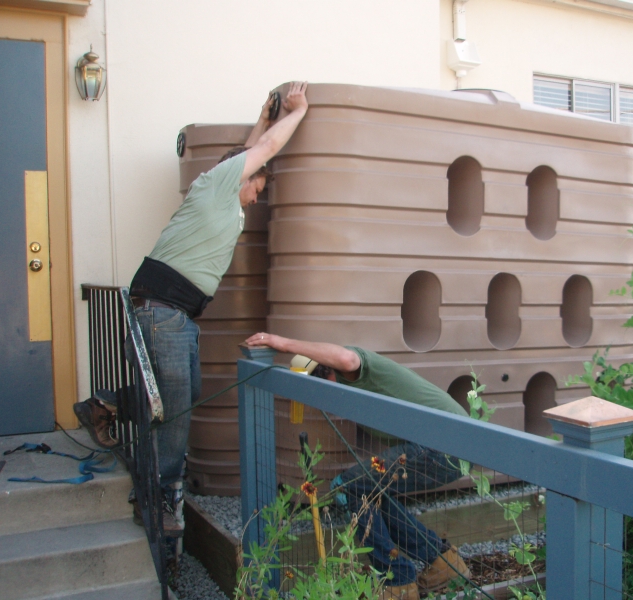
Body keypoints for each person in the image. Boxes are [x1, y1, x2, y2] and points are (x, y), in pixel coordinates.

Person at [74, 82, 309, 532]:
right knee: (176, 415)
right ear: (241, 176)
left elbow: (248, 149)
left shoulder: (221, 190)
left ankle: (105, 406)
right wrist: (295, 113)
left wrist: (264, 114)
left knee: (181, 399)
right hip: (162, 313)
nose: (257, 197)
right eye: (257, 187)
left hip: (172, 315)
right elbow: (262, 149)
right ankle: (159, 499)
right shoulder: (219, 184)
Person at [244, 332, 472, 600]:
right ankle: (443, 563)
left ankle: (398, 582)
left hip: (441, 444)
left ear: (328, 368)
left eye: (319, 380)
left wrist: (278, 343)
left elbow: (346, 358)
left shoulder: (357, 368)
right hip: (447, 446)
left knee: (348, 487)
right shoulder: (356, 388)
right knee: (369, 492)